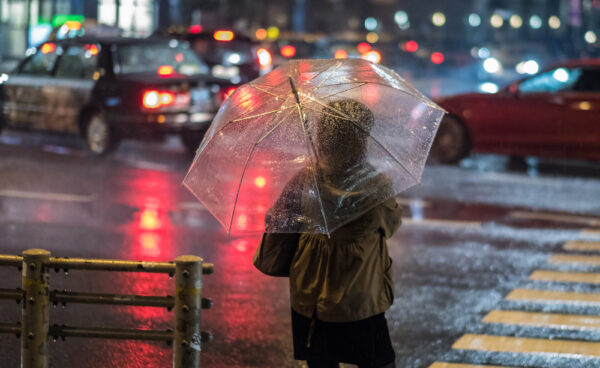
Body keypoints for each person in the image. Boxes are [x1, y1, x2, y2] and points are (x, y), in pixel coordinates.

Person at [257, 99, 403, 368]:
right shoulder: (375, 185)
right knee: (377, 360)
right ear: (361, 139)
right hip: (360, 294)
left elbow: (279, 218)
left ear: (324, 136)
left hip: (312, 294)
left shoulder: (305, 179)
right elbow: (390, 224)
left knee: (321, 360)